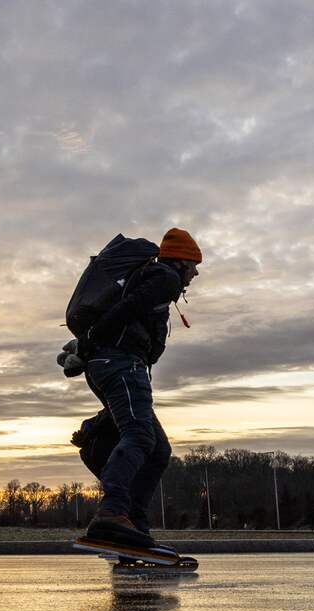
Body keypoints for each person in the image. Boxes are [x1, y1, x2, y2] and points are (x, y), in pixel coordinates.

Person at [76, 228, 201, 555]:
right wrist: (92, 339)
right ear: (181, 262)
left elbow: (129, 309)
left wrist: (90, 344)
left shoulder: (153, 278)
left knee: (158, 449)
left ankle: (135, 527)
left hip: (112, 365)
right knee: (140, 436)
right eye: (194, 265)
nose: (196, 273)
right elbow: (129, 307)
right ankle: (113, 513)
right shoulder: (165, 277)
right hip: (120, 364)